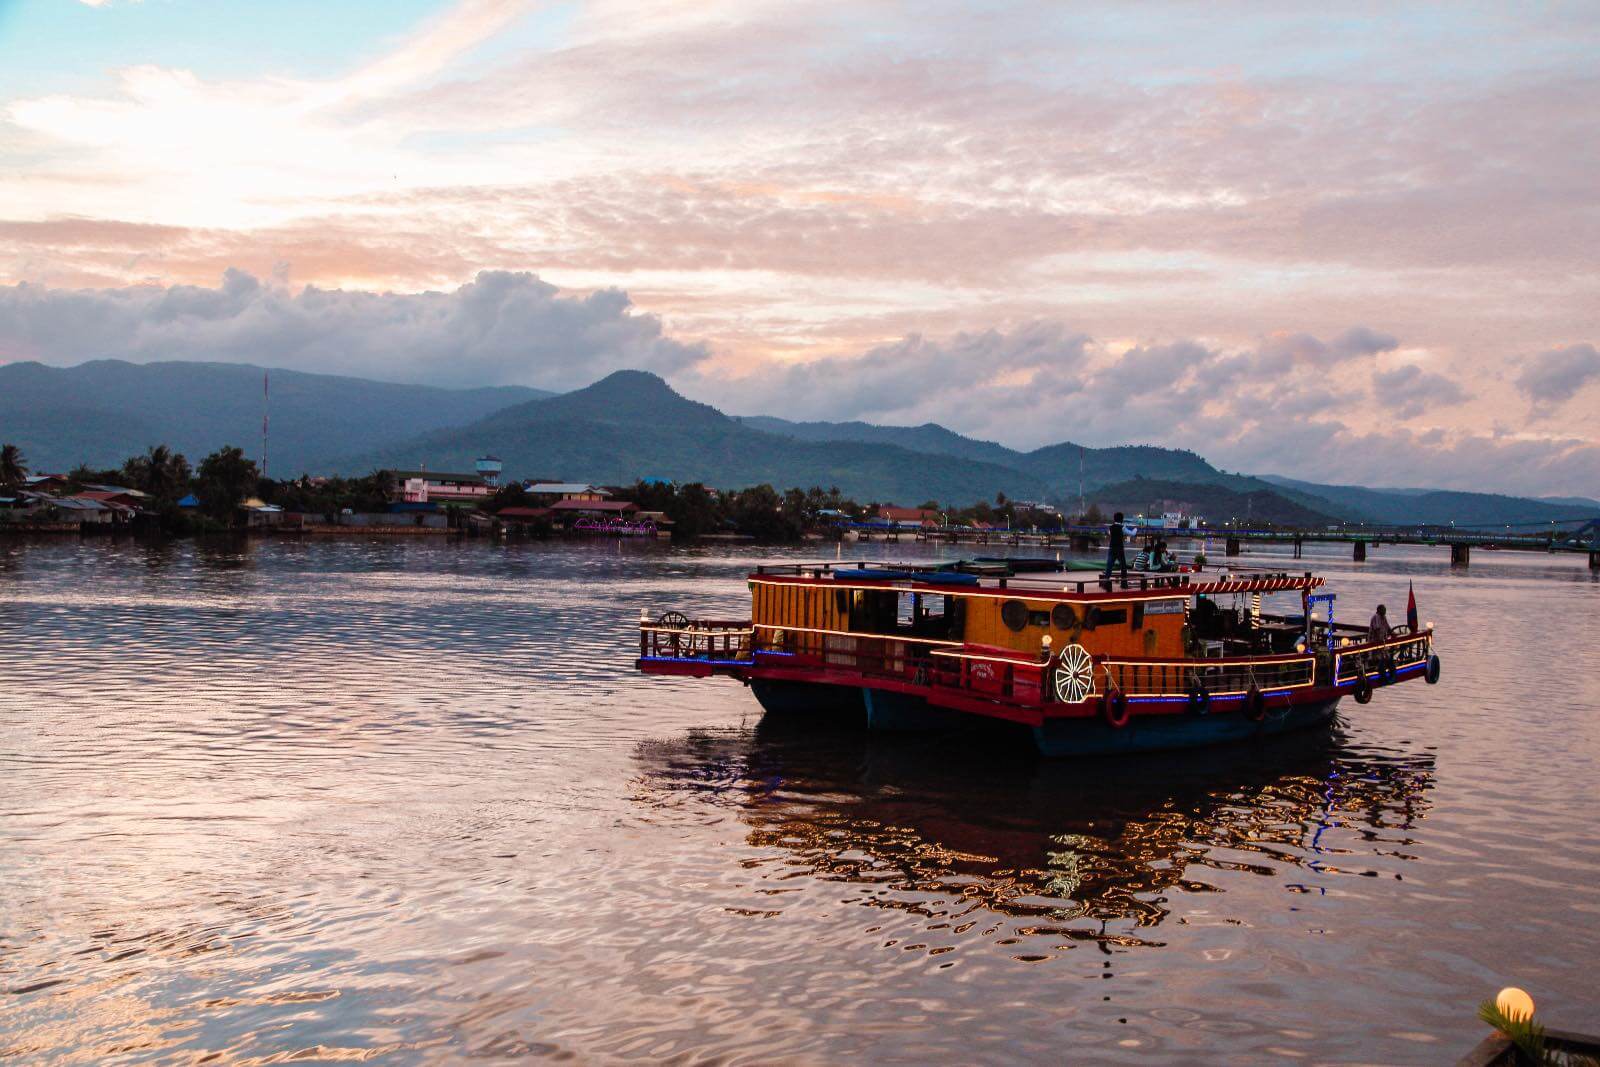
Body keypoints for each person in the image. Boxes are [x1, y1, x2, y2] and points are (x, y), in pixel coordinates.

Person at [1103, 512, 1129, 581]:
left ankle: (1106, 581)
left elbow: (1109, 533)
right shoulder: (1122, 527)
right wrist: (1136, 529)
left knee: (1109, 566)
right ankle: (1124, 584)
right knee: (1123, 567)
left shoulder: (1110, 527)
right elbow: (1132, 533)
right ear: (1122, 519)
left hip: (1112, 548)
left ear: (1114, 519)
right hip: (1120, 549)